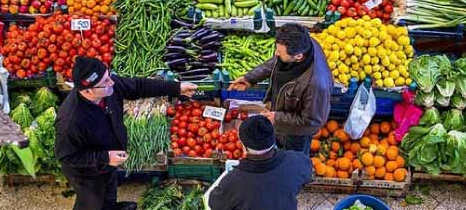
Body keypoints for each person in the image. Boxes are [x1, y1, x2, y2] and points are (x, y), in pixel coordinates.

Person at [55, 56, 197, 210]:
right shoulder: (70, 121)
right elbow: (66, 156)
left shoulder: (107, 88)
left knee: (109, 189)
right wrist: (105, 158)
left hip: (108, 162)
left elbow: (138, 86)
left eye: (109, 76)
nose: (112, 83)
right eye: (105, 82)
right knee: (93, 202)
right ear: (88, 90)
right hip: (87, 173)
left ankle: (112, 206)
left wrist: (176, 88)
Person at [229, 23, 333, 155]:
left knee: (292, 156)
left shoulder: (316, 85)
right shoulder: (305, 43)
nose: (276, 54)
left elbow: (312, 122)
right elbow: (277, 61)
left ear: (298, 56)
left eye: (280, 52)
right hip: (284, 113)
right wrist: (250, 78)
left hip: (296, 132)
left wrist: (277, 117)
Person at [208, 115, 312, 210]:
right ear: (273, 139)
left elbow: (214, 204)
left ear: (243, 145)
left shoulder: (231, 183)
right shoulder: (298, 161)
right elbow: (306, 176)